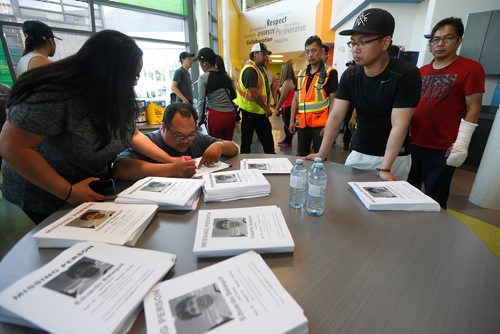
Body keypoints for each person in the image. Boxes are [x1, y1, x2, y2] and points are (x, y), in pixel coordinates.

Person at [0, 30, 175, 223]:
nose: (134, 83)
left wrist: (169, 161)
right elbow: (13, 147)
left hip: (86, 184)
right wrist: (69, 192)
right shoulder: (53, 94)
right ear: (107, 73)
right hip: (44, 193)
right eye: (132, 77)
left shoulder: (112, 94)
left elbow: (131, 133)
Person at [306, 8, 421, 181]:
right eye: (353, 42)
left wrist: (386, 168)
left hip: (394, 158)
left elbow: (400, 124)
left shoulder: (406, 74)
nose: (356, 49)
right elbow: (336, 116)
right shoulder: (350, 75)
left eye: (364, 42)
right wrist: (321, 153)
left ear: (385, 43)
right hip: (360, 151)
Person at [408, 17, 485, 209]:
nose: (440, 43)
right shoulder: (421, 71)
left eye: (447, 38)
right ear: (430, 44)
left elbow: (474, 108)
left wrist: (461, 144)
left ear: (459, 41)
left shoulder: (471, 68)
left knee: (435, 200)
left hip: (442, 148)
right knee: (407, 192)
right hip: (414, 143)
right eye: (435, 39)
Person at [112, 102, 239, 180]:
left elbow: (234, 148)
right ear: (163, 127)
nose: (186, 141)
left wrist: (220, 145)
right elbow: (120, 168)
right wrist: (171, 169)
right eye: (178, 135)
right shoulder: (149, 142)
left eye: (190, 134)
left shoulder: (196, 138)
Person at [290, 35, 338, 156]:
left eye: (314, 50)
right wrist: (291, 121)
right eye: (307, 52)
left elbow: (334, 101)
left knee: (320, 158)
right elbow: (296, 99)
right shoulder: (300, 74)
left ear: (321, 51)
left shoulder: (330, 73)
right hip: (302, 124)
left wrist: (328, 125)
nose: (310, 55)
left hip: (320, 125)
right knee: (301, 157)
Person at [235, 42, 275, 154]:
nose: (266, 57)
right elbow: (254, 94)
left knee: (264, 140)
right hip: (251, 112)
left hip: (256, 111)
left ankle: (271, 157)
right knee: (248, 143)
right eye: (263, 54)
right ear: (255, 54)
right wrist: (266, 108)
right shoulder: (250, 70)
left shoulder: (257, 69)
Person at [195, 47, 238, 140]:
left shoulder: (203, 78)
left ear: (204, 63)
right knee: (227, 144)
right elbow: (234, 95)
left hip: (216, 116)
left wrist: (199, 121)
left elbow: (202, 101)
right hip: (231, 116)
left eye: (200, 63)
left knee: (216, 146)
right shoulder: (226, 75)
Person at [275, 63, 297, 150]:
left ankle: (288, 143)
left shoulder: (288, 82)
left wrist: (277, 107)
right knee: (285, 125)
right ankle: (286, 140)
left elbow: (283, 97)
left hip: (289, 106)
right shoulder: (289, 81)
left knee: (288, 125)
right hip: (287, 106)